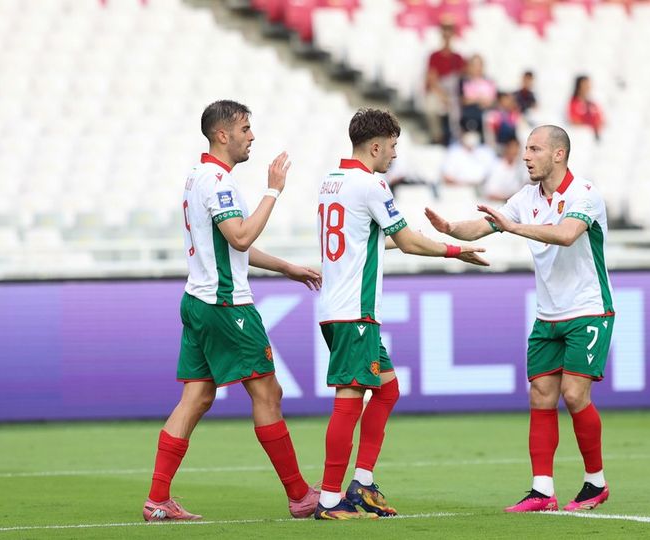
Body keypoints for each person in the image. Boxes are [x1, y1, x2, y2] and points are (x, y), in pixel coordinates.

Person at [142, 100, 322, 522]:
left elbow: (230, 244)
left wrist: (286, 267)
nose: (251, 137)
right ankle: (299, 495)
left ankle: (157, 500)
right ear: (222, 135)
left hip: (197, 300)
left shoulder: (197, 177)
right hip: (226, 305)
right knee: (268, 393)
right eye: (244, 129)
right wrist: (273, 189)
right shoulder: (219, 183)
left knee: (197, 395)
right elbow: (239, 237)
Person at [425, 125, 614, 513]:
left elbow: (565, 234)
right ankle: (542, 490)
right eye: (526, 149)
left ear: (558, 155)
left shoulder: (584, 195)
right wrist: (450, 229)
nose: (526, 156)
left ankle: (595, 482)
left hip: (588, 309)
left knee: (575, 394)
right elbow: (485, 224)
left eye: (535, 149)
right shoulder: (526, 197)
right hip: (548, 315)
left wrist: (512, 227)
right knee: (541, 396)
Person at [314, 108, 488, 520]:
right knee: (350, 399)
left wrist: (425, 240)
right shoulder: (371, 184)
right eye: (392, 146)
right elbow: (407, 242)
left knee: (387, 390)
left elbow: (371, 242)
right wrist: (455, 249)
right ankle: (328, 499)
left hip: (338, 307)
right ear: (375, 146)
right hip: (355, 310)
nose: (394, 155)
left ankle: (362, 483)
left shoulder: (331, 182)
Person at [424, 21, 466, 145]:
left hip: (452, 92)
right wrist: (443, 96)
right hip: (439, 91)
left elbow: (461, 79)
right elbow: (432, 80)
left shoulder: (458, 58)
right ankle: (437, 136)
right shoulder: (435, 56)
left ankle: (456, 137)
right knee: (431, 107)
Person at [458, 54, 498, 138]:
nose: (477, 68)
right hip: (472, 112)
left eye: (480, 64)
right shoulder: (465, 81)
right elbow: (463, 100)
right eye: (475, 65)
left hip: (488, 110)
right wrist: (479, 100)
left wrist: (486, 102)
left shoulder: (489, 81)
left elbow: (494, 100)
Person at [481, 137, 529, 203]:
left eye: (517, 148)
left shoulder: (521, 167)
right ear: (507, 149)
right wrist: (507, 199)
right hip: (496, 205)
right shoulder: (496, 166)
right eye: (512, 148)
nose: (515, 151)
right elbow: (490, 194)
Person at [568, 75, 604, 139]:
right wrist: (589, 125)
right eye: (585, 84)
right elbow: (574, 121)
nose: (587, 87)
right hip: (581, 137)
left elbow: (600, 119)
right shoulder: (574, 103)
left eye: (588, 84)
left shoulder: (592, 104)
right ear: (579, 86)